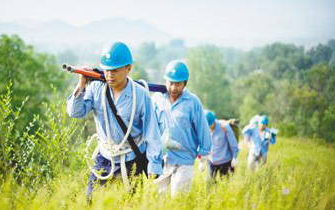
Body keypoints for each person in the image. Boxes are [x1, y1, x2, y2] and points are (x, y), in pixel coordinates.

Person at [66, 41, 163, 199]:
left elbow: (152, 132)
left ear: (128, 68)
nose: (110, 75)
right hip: (104, 157)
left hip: (131, 160)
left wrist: (154, 164)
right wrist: (82, 83)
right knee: (91, 201)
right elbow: (75, 112)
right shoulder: (96, 88)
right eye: (107, 70)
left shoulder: (140, 95)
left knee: (130, 204)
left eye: (115, 71)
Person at [152, 60, 211, 196]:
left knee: (178, 198)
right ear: (165, 81)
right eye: (170, 83)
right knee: (158, 198)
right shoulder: (157, 99)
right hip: (162, 159)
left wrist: (204, 154)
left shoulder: (192, 102)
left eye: (177, 84)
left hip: (184, 159)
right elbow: (150, 127)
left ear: (185, 83)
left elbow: (203, 128)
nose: (173, 88)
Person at [200, 110, 239, 180]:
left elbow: (233, 143)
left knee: (225, 185)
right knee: (209, 185)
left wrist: (235, 157)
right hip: (212, 161)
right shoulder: (204, 130)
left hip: (225, 161)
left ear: (214, 121)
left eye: (210, 125)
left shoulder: (224, 127)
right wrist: (201, 161)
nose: (209, 128)